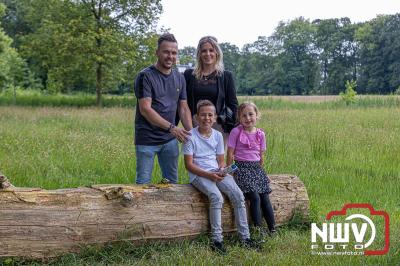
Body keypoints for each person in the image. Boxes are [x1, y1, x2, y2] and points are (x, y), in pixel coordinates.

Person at [183, 100, 259, 254]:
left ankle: (245, 238)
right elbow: (189, 165)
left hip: (216, 172)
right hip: (199, 174)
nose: (207, 118)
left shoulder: (218, 135)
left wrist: (222, 169)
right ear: (196, 117)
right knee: (217, 197)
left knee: (238, 195)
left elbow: (221, 160)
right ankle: (217, 240)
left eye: (210, 115)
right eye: (203, 115)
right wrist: (209, 175)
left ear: (215, 117)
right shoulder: (190, 136)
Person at [134, 33, 192, 184]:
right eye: (166, 52)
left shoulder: (179, 78)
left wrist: (193, 135)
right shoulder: (145, 76)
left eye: (174, 53)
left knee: (172, 183)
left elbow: (183, 108)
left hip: (170, 141)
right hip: (147, 139)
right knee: (143, 183)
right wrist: (172, 128)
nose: (170, 56)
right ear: (157, 52)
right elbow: (145, 109)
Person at [226, 102, 276, 238]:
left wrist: (262, 173)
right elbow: (230, 153)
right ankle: (258, 229)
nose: (248, 118)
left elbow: (261, 156)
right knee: (254, 196)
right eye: (244, 116)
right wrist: (229, 172)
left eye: (251, 114)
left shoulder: (260, 134)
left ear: (256, 115)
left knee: (265, 197)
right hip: (241, 168)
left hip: (256, 169)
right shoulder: (236, 132)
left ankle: (273, 229)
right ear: (239, 118)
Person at [184, 36, 238, 145]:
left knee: (219, 161)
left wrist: (237, 129)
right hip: (195, 125)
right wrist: (189, 129)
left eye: (211, 50)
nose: (207, 54)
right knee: (196, 160)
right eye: (204, 51)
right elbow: (183, 104)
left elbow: (233, 104)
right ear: (199, 54)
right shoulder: (189, 75)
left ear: (217, 53)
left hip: (219, 126)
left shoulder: (226, 76)